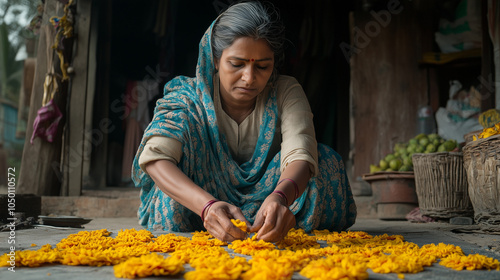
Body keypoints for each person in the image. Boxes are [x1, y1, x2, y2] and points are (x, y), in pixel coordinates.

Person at [132, 1, 356, 243]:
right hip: (200, 202)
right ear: (215, 59)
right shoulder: (186, 98)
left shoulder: (285, 91)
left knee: (324, 162)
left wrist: (280, 197)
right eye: (237, 64)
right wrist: (207, 206)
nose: (249, 78)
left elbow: (300, 152)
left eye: (262, 66)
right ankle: (216, 219)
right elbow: (156, 159)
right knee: (173, 189)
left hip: (270, 197)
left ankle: (271, 219)